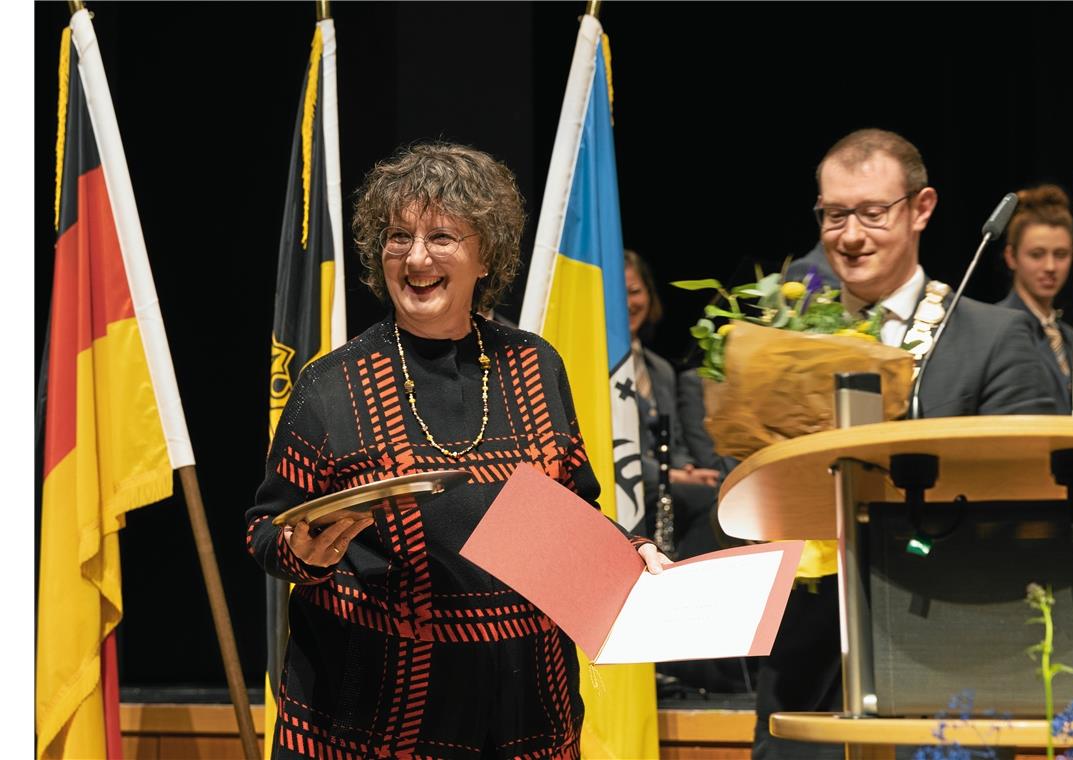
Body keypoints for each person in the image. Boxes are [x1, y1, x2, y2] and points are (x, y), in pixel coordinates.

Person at [246, 142, 666, 760]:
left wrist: (632, 551)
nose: (416, 257)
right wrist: (302, 551)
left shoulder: (534, 364)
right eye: (397, 237)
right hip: (378, 716)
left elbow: (576, 510)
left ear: (484, 254)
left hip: (525, 708)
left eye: (442, 237)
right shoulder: (330, 384)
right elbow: (265, 530)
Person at [750, 128, 1058, 760]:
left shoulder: (992, 338)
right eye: (835, 214)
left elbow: (1033, 501)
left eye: (872, 212)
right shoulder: (779, 342)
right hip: (807, 666)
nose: (851, 235)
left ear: (921, 209)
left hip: (950, 652)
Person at [625, 249, 721, 560]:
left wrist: (688, 467)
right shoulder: (590, 367)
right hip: (630, 483)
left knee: (723, 490)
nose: (628, 303)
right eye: (617, 294)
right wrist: (675, 477)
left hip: (669, 483)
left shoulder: (661, 369)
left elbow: (675, 441)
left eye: (635, 292)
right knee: (706, 500)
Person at [996, 184, 1073, 415]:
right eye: (1037, 254)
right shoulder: (993, 330)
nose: (1050, 267)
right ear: (1011, 257)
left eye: (1061, 255)